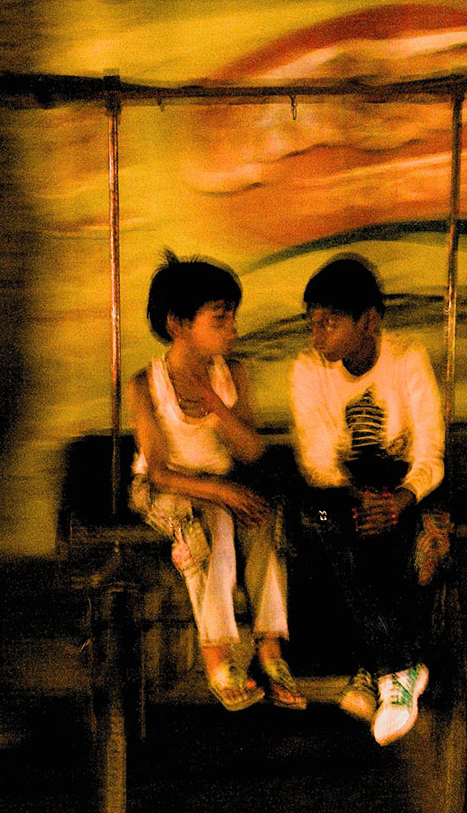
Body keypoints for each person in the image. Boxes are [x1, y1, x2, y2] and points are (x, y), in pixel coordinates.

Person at [129, 253, 305, 712]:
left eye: (232, 319)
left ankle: (270, 651)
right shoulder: (146, 384)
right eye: (220, 320)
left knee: (265, 523)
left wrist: (214, 402)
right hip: (166, 490)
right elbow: (161, 472)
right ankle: (217, 656)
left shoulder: (233, 374)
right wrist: (223, 492)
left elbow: (250, 451)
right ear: (178, 324)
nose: (233, 331)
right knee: (218, 530)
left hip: (220, 482)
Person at [290, 254, 449, 745]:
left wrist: (399, 499)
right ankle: (397, 669)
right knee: (320, 520)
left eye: (330, 322)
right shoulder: (308, 369)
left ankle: (369, 670)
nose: (317, 336)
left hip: (404, 486)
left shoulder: (406, 360)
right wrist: (362, 499)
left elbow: (431, 450)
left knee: (400, 538)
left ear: (369, 321)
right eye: (312, 322)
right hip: (344, 491)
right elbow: (318, 458)